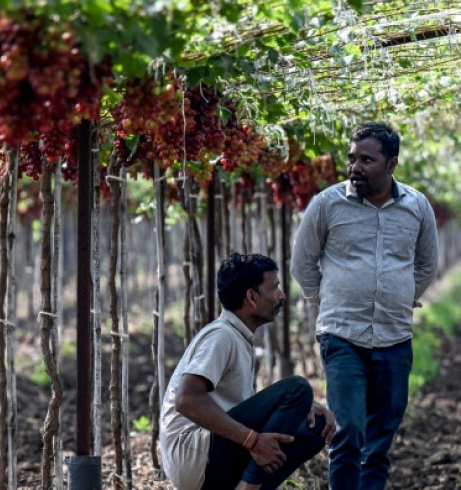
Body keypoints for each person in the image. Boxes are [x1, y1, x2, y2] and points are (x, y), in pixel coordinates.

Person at [291, 121, 439, 489]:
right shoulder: (326, 204)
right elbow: (302, 262)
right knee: (348, 431)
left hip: (395, 337)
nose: (355, 166)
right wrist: (326, 301)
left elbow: (426, 265)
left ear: (392, 164)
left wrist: (401, 298)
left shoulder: (417, 207)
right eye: (352, 158)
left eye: (367, 160)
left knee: (380, 439)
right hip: (342, 335)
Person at [160, 253, 335, 490]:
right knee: (298, 388)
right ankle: (249, 487)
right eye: (274, 288)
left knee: (317, 427)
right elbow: (186, 399)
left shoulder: (239, 336)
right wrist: (253, 441)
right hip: (192, 454)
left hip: (208, 453)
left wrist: (303, 407)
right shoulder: (222, 335)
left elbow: (236, 407)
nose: (282, 296)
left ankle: (247, 484)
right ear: (251, 297)